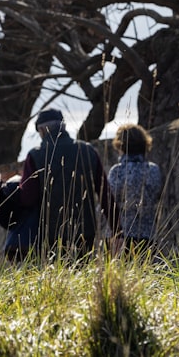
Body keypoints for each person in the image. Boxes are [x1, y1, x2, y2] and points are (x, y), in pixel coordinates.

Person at [16, 109, 120, 259]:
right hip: (85, 230)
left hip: (49, 234)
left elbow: (27, 198)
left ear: (41, 130)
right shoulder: (88, 151)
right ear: (63, 127)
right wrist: (117, 230)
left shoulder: (36, 155)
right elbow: (105, 194)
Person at [107, 123, 163, 255]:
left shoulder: (117, 171)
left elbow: (110, 202)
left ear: (120, 145)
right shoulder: (153, 170)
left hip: (120, 235)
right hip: (147, 234)